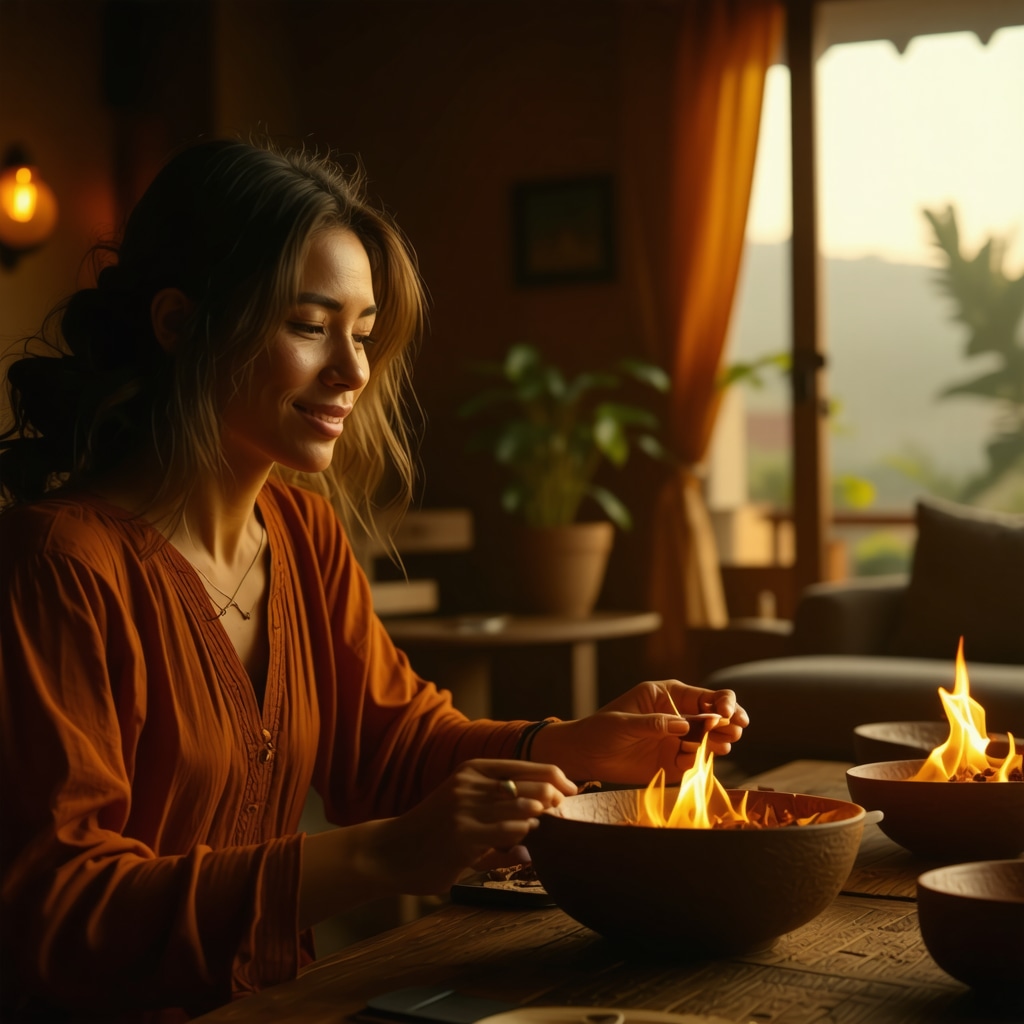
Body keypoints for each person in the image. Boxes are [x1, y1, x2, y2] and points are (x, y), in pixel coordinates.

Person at [0, 138, 748, 1023]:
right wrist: (383, 856)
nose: (353, 371)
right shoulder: (57, 565)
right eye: (309, 326)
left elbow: (389, 747)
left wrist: (573, 746)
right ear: (177, 324)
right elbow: (60, 908)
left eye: (361, 333)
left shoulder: (302, 533)